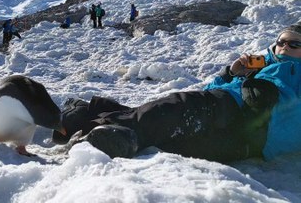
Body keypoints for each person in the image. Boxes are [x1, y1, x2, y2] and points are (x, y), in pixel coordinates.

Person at [49, 23, 301, 163]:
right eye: (280, 41)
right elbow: (210, 90)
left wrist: (272, 96)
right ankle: (101, 133)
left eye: (294, 43)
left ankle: (89, 113)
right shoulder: (263, 65)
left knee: (170, 140)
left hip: (250, 141)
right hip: (224, 104)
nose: (283, 47)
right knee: (171, 110)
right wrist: (232, 73)